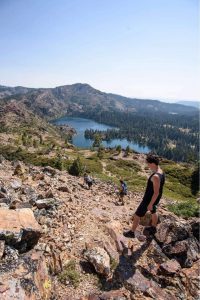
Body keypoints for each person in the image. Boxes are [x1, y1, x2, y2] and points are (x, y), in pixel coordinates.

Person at [123, 153, 165, 238]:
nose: (148, 165)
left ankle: (132, 232)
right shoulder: (161, 171)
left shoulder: (156, 176)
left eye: (148, 163)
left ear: (153, 163)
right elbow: (159, 191)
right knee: (153, 211)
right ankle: (153, 227)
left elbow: (156, 192)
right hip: (155, 198)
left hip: (149, 199)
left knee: (137, 215)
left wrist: (150, 204)